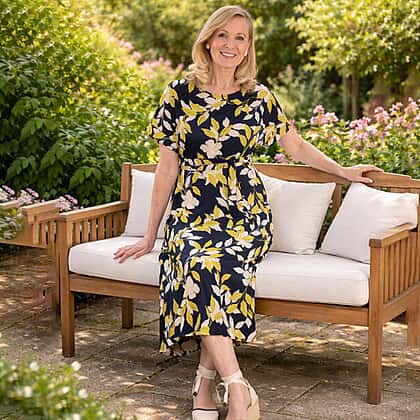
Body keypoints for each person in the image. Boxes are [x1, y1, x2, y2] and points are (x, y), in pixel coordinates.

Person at [113, 5, 382, 420]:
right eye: (222, 35)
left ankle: (210, 384)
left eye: (240, 37)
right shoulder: (178, 94)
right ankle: (234, 385)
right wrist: (150, 235)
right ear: (207, 41)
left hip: (245, 213)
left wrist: (343, 172)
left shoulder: (259, 97)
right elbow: (167, 169)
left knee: (213, 266)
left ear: (248, 46)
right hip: (191, 212)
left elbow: (296, 146)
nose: (230, 45)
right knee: (196, 261)